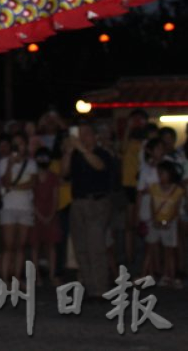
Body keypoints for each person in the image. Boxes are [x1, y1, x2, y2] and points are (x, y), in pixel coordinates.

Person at [62, 122, 116, 298]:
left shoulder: (102, 153)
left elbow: (99, 166)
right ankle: (90, 286)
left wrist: (83, 150)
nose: (82, 138)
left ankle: (101, 289)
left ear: (95, 137)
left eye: (86, 134)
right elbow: (64, 173)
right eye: (80, 134)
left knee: (96, 246)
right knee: (81, 248)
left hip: (97, 202)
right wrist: (69, 152)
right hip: (78, 203)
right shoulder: (76, 154)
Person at [0, 132, 37, 282]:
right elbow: (5, 182)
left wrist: (14, 186)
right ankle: (4, 279)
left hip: (25, 207)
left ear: (25, 145)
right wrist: (10, 164)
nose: (17, 146)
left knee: (21, 246)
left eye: (20, 143)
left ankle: (16, 278)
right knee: (8, 246)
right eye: (15, 143)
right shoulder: (4, 162)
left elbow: (32, 183)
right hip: (8, 207)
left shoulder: (31, 163)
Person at [147, 161, 183, 288]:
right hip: (155, 222)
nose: (160, 176)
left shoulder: (178, 190)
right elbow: (152, 205)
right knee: (153, 248)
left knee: (169, 251)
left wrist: (168, 221)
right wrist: (154, 219)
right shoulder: (154, 188)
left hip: (170, 223)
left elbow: (176, 210)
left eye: (162, 173)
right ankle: (158, 275)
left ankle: (171, 277)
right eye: (159, 173)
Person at [29, 148, 61, 285]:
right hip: (35, 214)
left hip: (50, 214)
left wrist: (51, 215)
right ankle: (36, 277)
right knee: (35, 246)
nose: (42, 161)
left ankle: (52, 274)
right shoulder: (32, 177)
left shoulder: (53, 177)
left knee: (51, 246)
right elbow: (30, 198)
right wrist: (39, 215)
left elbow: (56, 197)